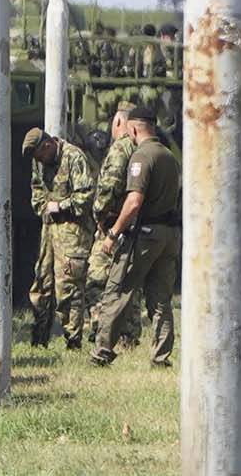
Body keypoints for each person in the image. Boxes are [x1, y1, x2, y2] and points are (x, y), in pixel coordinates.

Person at [90, 105, 181, 367]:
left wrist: (114, 233)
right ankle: (161, 357)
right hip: (169, 236)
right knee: (161, 298)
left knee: (118, 291)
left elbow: (134, 202)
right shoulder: (168, 156)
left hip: (144, 236)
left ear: (132, 128)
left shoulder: (141, 158)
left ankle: (102, 352)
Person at [23, 127, 94, 349]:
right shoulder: (39, 163)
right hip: (49, 231)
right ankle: (39, 339)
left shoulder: (73, 157)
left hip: (72, 232)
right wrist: (44, 206)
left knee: (68, 287)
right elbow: (37, 191)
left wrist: (60, 206)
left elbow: (86, 195)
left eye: (40, 156)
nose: (39, 162)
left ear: (48, 145)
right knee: (42, 284)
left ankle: (72, 341)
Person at [85, 104, 143, 348]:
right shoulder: (141, 148)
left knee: (97, 279)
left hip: (112, 223)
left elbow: (109, 185)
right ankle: (129, 336)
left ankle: (101, 330)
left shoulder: (120, 148)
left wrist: (99, 213)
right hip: (135, 223)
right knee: (129, 282)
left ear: (119, 123)